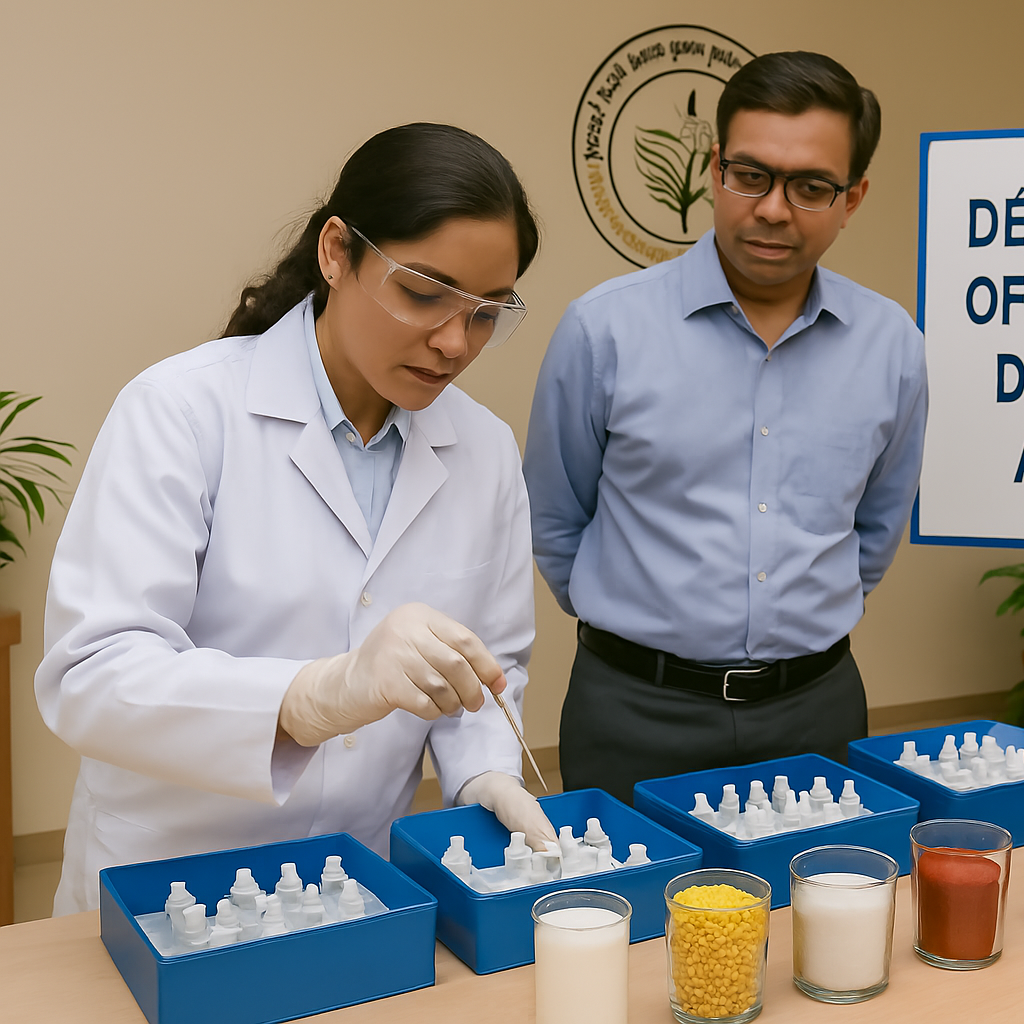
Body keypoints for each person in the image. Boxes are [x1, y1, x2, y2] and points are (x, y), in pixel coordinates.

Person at [36, 123, 556, 915]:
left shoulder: (482, 449)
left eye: (487, 312)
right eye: (423, 292)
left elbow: (487, 665)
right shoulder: (180, 411)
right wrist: (314, 695)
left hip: (355, 882)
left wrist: (484, 768)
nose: (454, 342)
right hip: (167, 880)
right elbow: (93, 674)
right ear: (337, 253)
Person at [523, 52, 928, 801]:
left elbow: (876, 528)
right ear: (715, 169)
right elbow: (554, 514)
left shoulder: (891, 343)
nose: (774, 208)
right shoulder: (604, 329)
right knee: (633, 918)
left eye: (811, 187)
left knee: (824, 914)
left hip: (816, 707)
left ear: (853, 197)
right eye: (751, 175)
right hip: (635, 713)